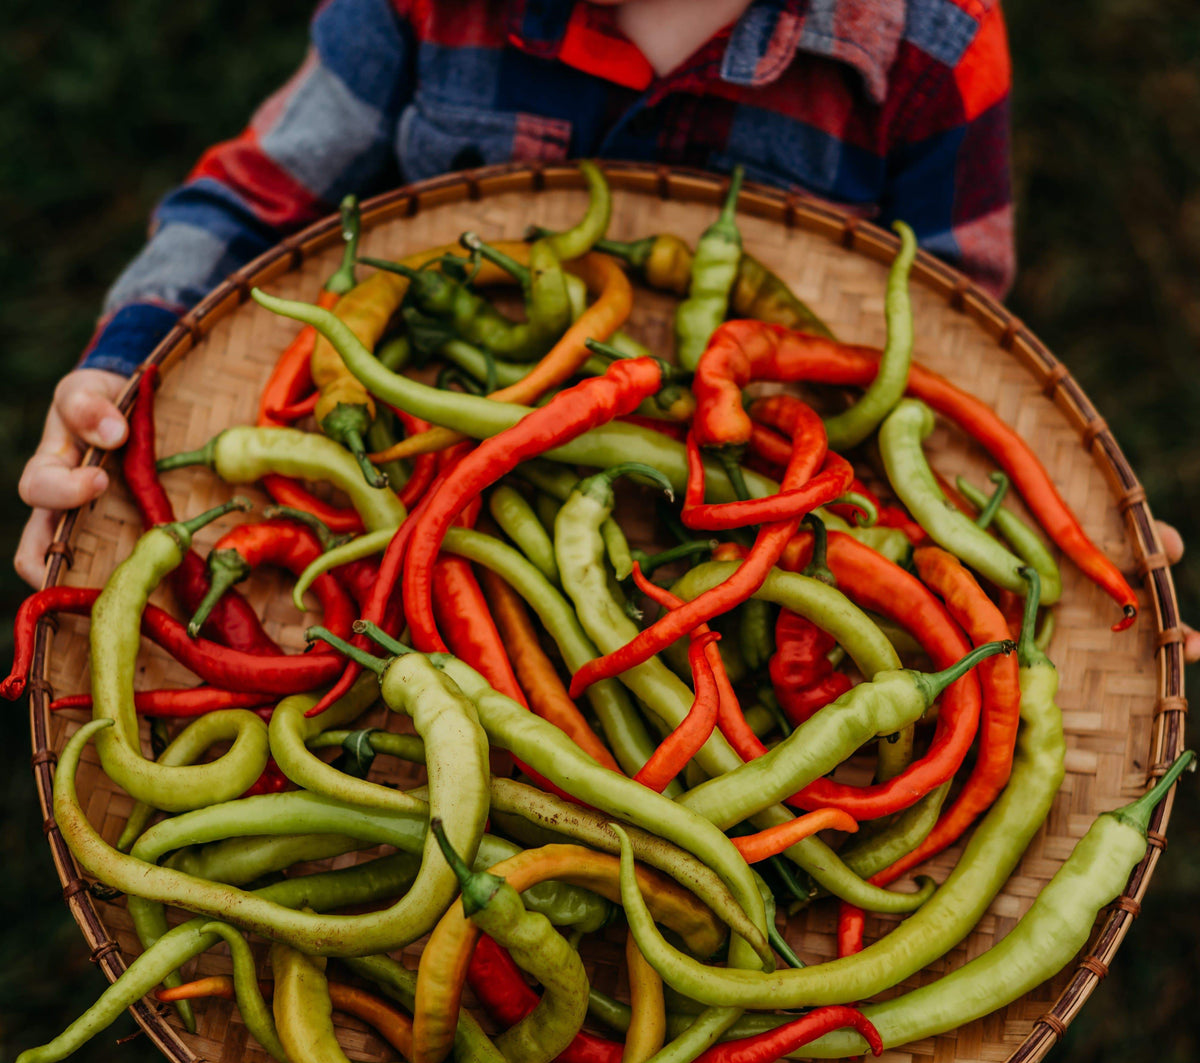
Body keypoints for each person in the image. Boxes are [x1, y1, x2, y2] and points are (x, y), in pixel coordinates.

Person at [13, 0, 1196, 658]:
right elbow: (251, 197)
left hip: (760, 475)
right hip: (446, 436)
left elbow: (948, 333)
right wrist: (121, 368)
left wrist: (1050, 546)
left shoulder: (930, 44)